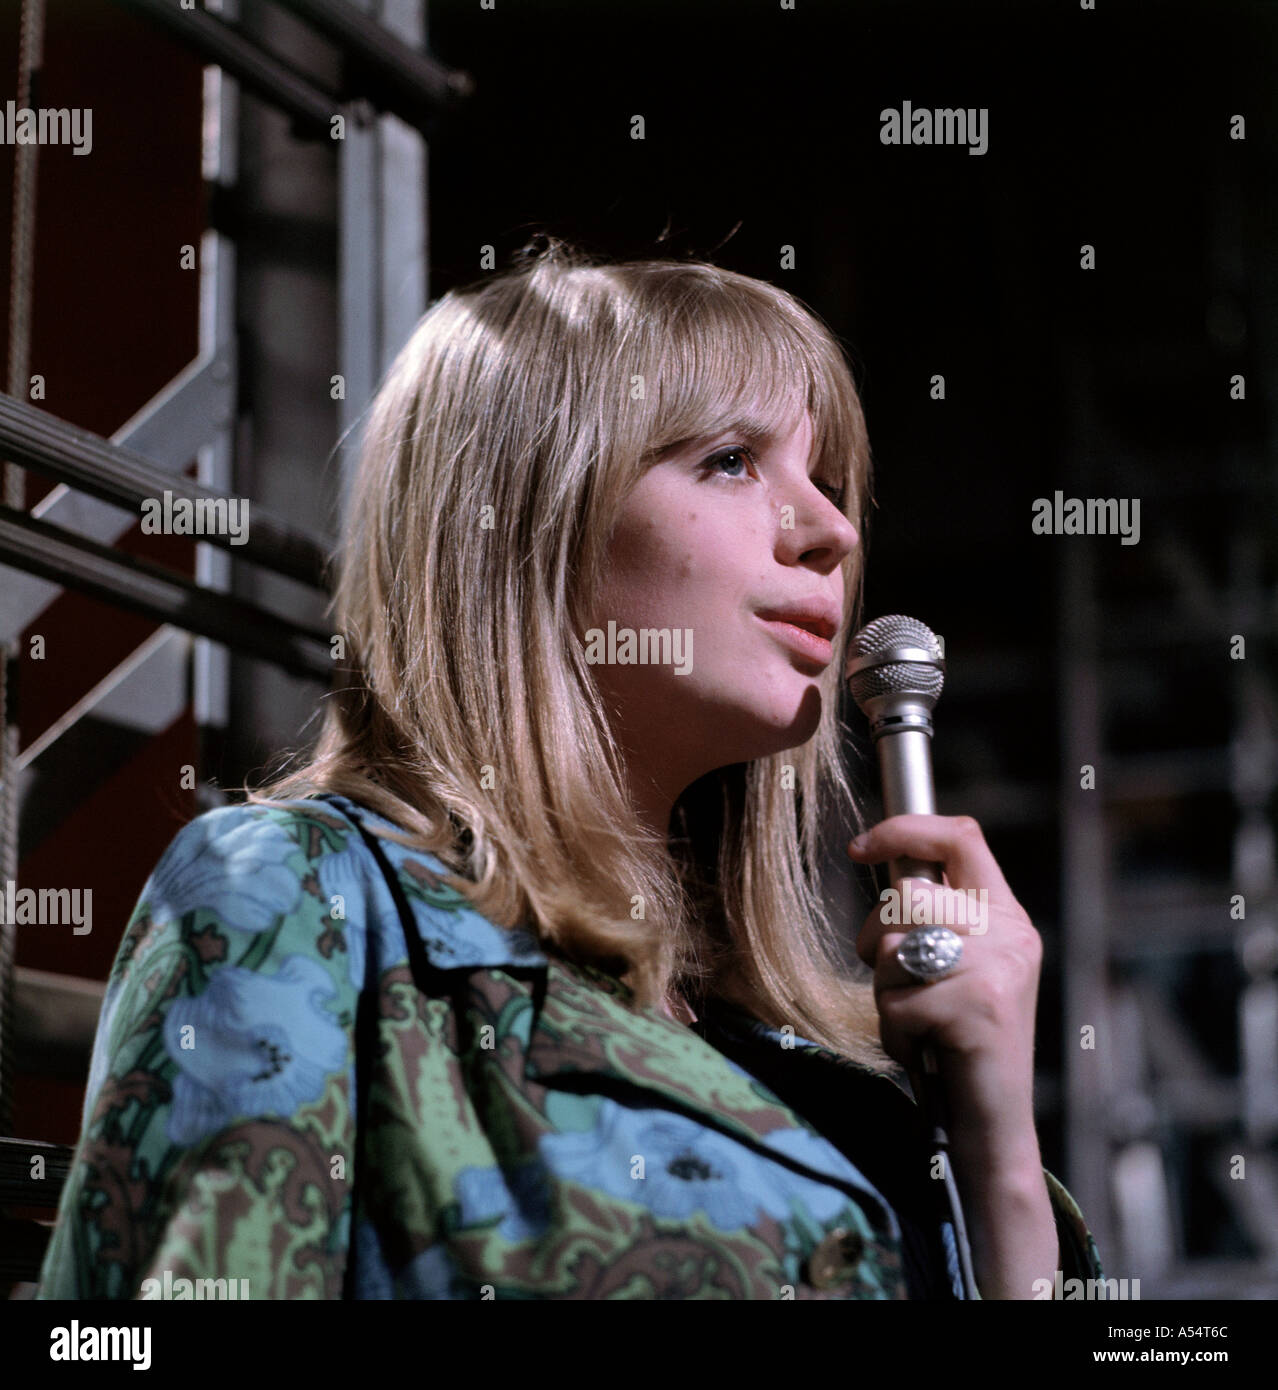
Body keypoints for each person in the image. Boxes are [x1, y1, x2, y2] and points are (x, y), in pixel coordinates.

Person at [35, 236, 1101, 1300]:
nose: (828, 530)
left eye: (828, 483)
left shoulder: (856, 1071)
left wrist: (999, 1152)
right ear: (530, 521)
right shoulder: (297, 897)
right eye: (731, 460)